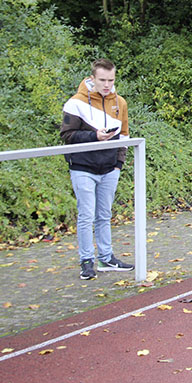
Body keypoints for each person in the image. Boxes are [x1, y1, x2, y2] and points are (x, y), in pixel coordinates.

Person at [61, 58, 134, 280]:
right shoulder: (75, 103)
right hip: (83, 166)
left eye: (110, 80)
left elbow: (124, 137)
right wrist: (95, 136)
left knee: (104, 214)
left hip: (109, 168)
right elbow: (67, 135)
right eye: (102, 80)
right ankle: (86, 261)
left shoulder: (119, 102)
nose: (106, 85)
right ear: (92, 78)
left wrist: (118, 165)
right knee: (86, 215)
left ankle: (106, 257)